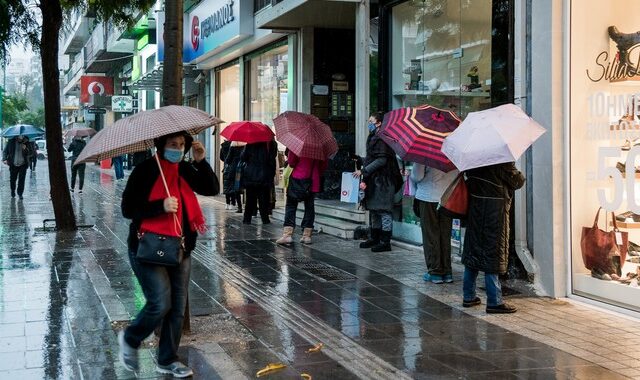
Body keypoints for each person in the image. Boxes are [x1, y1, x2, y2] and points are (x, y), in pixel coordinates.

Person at [118, 132, 219, 377]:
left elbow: (211, 188)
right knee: (160, 303)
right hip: (148, 247)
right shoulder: (145, 170)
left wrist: (201, 161)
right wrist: (160, 206)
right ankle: (131, 338)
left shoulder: (184, 169)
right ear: (161, 146)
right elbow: (128, 209)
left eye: (182, 145)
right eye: (173, 145)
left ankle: (167, 359)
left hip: (181, 247)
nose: (178, 149)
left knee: (176, 307)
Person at [461, 162, 525, 314]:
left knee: (473, 253)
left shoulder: (473, 160)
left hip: (476, 212)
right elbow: (519, 181)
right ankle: (494, 301)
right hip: (495, 215)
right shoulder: (501, 161)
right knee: (493, 254)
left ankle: (468, 296)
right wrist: (513, 166)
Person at [353, 112, 403, 252]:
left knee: (384, 211)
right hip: (376, 181)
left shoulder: (383, 139)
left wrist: (363, 171)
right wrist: (361, 159)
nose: (369, 123)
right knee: (374, 210)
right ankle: (374, 238)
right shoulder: (375, 137)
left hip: (384, 181)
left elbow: (382, 160)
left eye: (371, 121)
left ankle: (385, 242)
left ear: (379, 123)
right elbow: (374, 158)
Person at [410, 163, 459, 284]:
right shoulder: (454, 151)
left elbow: (417, 176)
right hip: (448, 199)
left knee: (431, 235)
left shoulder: (426, 150)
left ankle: (435, 271)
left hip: (428, 197)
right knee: (445, 235)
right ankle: (447, 272)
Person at [276, 151, 328, 245]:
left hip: (298, 178)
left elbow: (291, 162)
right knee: (309, 207)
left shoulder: (299, 145)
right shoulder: (320, 148)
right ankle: (307, 235)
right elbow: (323, 166)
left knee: (291, 205)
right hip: (312, 181)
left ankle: (287, 234)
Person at [240, 138, 277, 225]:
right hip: (265, 175)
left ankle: (247, 219)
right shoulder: (271, 143)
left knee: (250, 199)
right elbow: (272, 159)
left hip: (251, 175)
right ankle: (265, 219)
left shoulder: (250, 143)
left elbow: (243, 157)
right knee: (264, 199)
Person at [220, 140, 244, 212]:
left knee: (235, 187)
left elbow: (227, 159)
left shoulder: (232, 147)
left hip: (234, 170)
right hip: (242, 169)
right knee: (242, 188)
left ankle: (239, 206)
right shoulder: (244, 147)